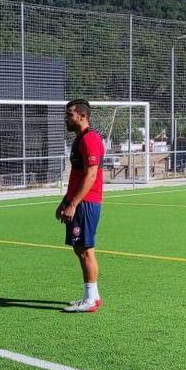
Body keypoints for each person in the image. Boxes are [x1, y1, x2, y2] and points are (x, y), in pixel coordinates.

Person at [56, 99, 105, 313]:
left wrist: (74, 203)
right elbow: (76, 176)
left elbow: (91, 174)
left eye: (69, 115)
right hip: (78, 202)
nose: (66, 119)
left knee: (85, 250)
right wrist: (65, 201)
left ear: (82, 116)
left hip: (86, 203)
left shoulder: (90, 139)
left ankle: (90, 300)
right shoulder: (79, 139)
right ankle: (92, 296)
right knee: (82, 249)